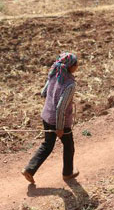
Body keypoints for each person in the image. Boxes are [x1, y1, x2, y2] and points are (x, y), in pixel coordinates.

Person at [21, 52, 80, 184]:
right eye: (76, 64)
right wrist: (60, 128)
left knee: (48, 145)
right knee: (69, 145)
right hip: (59, 121)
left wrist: (53, 95)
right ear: (70, 67)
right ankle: (67, 173)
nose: (77, 66)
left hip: (46, 116)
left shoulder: (54, 75)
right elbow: (60, 108)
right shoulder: (70, 84)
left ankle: (29, 169)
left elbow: (43, 93)